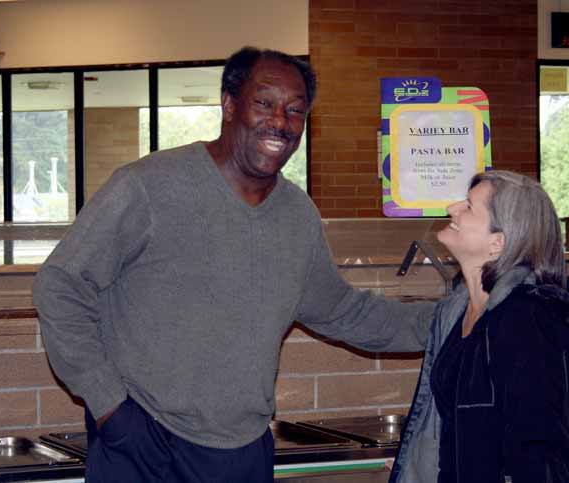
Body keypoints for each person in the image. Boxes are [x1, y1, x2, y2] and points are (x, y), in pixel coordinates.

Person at [32, 46, 434, 483]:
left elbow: (344, 311)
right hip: (144, 443)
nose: (279, 121)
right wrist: (109, 404)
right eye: (264, 103)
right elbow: (61, 284)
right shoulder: (148, 187)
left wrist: (451, 318)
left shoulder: (297, 216)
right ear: (228, 104)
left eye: (295, 111)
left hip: (240, 453)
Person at [389, 170, 569, 483]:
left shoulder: (526, 318)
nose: (452, 208)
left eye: (469, 207)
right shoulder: (455, 313)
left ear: (497, 242)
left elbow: (538, 449)